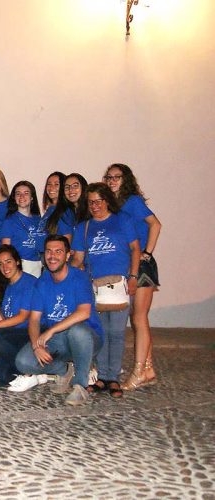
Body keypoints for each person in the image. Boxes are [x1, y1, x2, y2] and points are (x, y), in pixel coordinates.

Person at [15, 235, 104, 405]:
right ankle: (63, 370)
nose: (52, 256)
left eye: (58, 251)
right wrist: (36, 346)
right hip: (58, 341)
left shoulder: (79, 277)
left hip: (87, 338)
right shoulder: (42, 282)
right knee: (23, 361)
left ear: (68, 255)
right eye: (48, 251)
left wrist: (51, 331)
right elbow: (34, 319)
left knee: (77, 330)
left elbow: (84, 312)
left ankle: (80, 385)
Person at [72, 183, 140, 398]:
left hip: (119, 284)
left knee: (117, 333)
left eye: (99, 201)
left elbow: (135, 249)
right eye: (91, 201)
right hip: (95, 287)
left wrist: (134, 276)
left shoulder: (123, 220)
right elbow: (79, 258)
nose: (95, 205)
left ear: (107, 200)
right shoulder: (83, 227)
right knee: (100, 333)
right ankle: (102, 376)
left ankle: (113, 377)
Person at [104, 163, 162, 390]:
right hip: (128, 264)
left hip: (142, 265)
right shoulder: (116, 205)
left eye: (116, 177)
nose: (112, 181)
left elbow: (155, 224)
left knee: (138, 317)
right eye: (109, 177)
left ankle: (139, 371)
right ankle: (148, 368)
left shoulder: (133, 202)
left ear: (126, 179)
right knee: (137, 319)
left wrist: (148, 252)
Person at [0, 244, 40, 390]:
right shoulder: (10, 285)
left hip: (27, 333)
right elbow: (4, 314)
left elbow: (23, 317)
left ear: (17, 261)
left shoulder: (29, 282)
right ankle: (35, 374)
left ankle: (29, 369)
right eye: (0, 264)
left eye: (8, 261)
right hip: (11, 336)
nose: (4, 267)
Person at [1, 181, 44, 277]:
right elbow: (5, 250)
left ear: (32, 197)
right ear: (14, 198)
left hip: (39, 265)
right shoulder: (9, 221)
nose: (22, 196)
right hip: (21, 266)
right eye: (18, 194)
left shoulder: (39, 220)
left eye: (26, 193)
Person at [41, 172, 74, 241]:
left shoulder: (65, 212)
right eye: (49, 184)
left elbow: (67, 241)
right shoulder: (50, 209)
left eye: (56, 184)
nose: (51, 187)